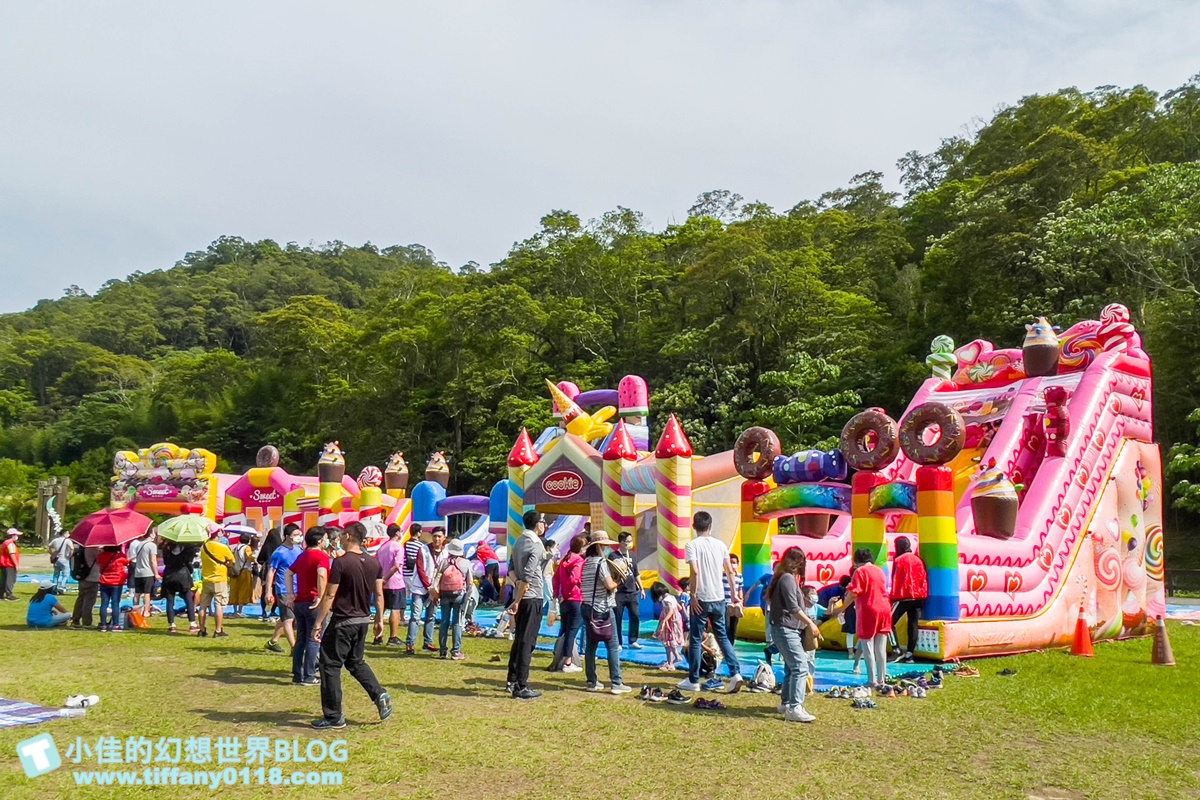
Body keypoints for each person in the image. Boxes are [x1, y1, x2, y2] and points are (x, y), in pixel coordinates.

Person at [310, 522, 392, 729]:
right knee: (355, 663)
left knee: (329, 666)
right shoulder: (374, 563)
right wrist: (380, 619)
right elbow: (379, 594)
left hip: (343, 621)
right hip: (363, 620)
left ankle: (333, 716)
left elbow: (330, 594)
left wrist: (318, 623)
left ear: (347, 536)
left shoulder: (341, 563)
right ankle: (379, 693)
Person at [678, 511, 743, 693]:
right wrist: (734, 595)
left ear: (694, 526)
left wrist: (693, 594)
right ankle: (735, 673)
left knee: (696, 638)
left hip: (702, 598)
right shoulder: (720, 545)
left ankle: (694, 679)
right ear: (710, 526)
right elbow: (730, 571)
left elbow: (696, 572)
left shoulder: (692, 545)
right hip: (719, 597)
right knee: (722, 636)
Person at [767, 546, 820, 722]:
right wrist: (810, 622)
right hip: (785, 629)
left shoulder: (784, 578)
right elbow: (793, 608)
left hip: (785, 628)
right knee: (800, 666)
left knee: (791, 667)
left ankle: (787, 703)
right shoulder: (788, 579)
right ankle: (795, 707)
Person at [580, 531, 632, 694]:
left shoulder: (586, 562)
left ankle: (592, 681)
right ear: (600, 546)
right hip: (602, 608)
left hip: (587, 606)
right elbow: (609, 585)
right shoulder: (601, 562)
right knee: (613, 646)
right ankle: (616, 682)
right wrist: (619, 580)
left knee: (591, 646)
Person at [506, 510, 549, 699]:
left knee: (520, 639)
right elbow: (529, 575)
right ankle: (521, 685)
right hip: (531, 597)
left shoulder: (518, 541)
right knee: (527, 641)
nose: (545, 525)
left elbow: (511, 571)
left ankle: (512, 679)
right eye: (543, 522)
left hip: (522, 594)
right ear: (537, 524)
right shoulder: (536, 544)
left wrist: (517, 589)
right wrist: (517, 600)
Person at [841, 548, 893, 689]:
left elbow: (853, 593)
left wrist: (841, 608)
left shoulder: (860, 571)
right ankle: (882, 678)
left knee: (867, 645)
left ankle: (872, 680)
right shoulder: (879, 570)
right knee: (880, 647)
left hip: (869, 608)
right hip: (885, 607)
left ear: (856, 561)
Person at [288, 526, 331, 686]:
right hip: (314, 602)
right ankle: (309, 675)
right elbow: (321, 573)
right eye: (326, 538)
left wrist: (292, 593)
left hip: (300, 601)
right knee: (314, 638)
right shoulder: (321, 556)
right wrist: (320, 596)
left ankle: (297, 674)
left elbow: (288, 572)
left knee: (301, 639)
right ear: (320, 541)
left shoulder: (302, 555)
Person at [549, 534, 585, 673]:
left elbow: (556, 578)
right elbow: (574, 579)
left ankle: (559, 658)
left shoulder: (565, 559)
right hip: (576, 599)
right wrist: (581, 584)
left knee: (564, 630)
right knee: (572, 631)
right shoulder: (579, 561)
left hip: (565, 600)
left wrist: (558, 594)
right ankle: (568, 661)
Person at [890, 536, 928, 663]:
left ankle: (897, 650)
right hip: (919, 596)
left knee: (887, 622)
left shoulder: (899, 560)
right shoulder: (918, 559)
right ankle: (910, 654)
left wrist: (892, 597)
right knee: (913, 624)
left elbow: (895, 579)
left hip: (903, 596)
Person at [265, 525, 304, 653]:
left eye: (300, 534)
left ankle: (273, 641)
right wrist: (268, 591)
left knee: (285, 617)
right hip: (284, 589)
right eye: (296, 534)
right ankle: (295, 648)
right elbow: (271, 571)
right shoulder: (279, 552)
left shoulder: (299, 549)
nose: (299, 537)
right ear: (287, 537)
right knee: (288, 619)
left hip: (298, 588)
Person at [433, 539, 472, 660]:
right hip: (459, 594)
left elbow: (436, 579)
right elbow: (470, 582)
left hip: (445, 594)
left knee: (444, 621)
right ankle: (456, 651)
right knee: (457, 622)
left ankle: (443, 651)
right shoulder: (465, 563)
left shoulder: (444, 562)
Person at [197, 526, 235, 638]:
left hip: (206, 579)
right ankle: (218, 630)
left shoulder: (204, 546)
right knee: (219, 605)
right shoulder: (223, 547)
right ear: (218, 533)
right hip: (220, 579)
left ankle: (202, 629)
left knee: (203, 606)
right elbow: (232, 561)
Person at [404, 524, 436, 654]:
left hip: (409, 576)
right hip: (419, 584)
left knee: (430, 615)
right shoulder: (422, 548)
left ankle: (427, 641)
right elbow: (421, 568)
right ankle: (410, 643)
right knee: (416, 616)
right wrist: (428, 586)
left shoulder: (405, 544)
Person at [375, 523, 407, 646]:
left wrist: (381, 579)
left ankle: (378, 636)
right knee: (395, 609)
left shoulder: (382, 547)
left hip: (382, 583)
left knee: (380, 610)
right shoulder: (398, 547)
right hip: (395, 582)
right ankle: (393, 636)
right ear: (397, 533)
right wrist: (386, 578)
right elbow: (396, 566)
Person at [610, 532, 643, 649]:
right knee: (617, 617)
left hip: (632, 591)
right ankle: (618, 641)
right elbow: (611, 573)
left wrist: (641, 588)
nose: (630, 543)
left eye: (630, 540)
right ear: (621, 542)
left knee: (635, 615)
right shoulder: (613, 556)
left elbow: (636, 573)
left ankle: (633, 640)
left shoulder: (632, 555)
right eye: (627, 541)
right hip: (619, 592)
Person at [819, 573, 859, 668]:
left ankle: (853, 651)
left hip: (851, 610)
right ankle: (852, 652)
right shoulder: (844, 589)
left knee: (855, 632)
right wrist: (839, 610)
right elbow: (846, 599)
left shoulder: (847, 589)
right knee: (852, 632)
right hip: (850, 610)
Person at [160, 540, 199, 634]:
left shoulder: (166, 548)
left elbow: (166, 562)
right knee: (189, 600)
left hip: (169, 575)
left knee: (170, 601)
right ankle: (192, 624)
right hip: (183, 575)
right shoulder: (187, 548)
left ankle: (172, 625)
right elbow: (189, 563)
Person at [652, 581, 685, 671]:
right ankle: (671, 661)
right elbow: (679, 608)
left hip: (671, 622)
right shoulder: (672, 597)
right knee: (670, 641)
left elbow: (670, 611)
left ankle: (672, 662)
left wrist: (664, 620)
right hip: (676, 620)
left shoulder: (666, 600)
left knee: (669, 642)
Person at [96, 545, 130, 632]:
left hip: (104, 581)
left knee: (104, 603)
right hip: (117, 582)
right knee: (115, 603)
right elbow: (127, 562)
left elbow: (98, 563)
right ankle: (116, 625)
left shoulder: (101, 556)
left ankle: (103, 624)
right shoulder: (120, 556)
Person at [256, 526, 283, 623]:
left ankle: (264, 612)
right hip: (278, 571)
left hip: (266, 570)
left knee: (265, 591)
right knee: (276, 591)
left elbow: (259, 559)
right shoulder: (280, 546)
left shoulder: (266, 545)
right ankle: (273, 610)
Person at [70, 546, 100, 628]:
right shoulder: (93, 549)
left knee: (81, 599)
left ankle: (75, 620)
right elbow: (100, 560)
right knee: (89, 601)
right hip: (92, 578)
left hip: (82, 576)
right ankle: (87, 622)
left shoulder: (80, 549)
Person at [131, 531, 158, 619]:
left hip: (138, 572)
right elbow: (153, 561)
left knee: (137, 593)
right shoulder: (152, 545)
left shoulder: (139, 544)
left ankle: (135, 609)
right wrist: (156, 574)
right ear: (151, 534)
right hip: (148, 572)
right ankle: (146, 611)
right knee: (147, 593)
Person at [228, 535, 255, 617]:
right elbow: (250, 558)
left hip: (235, 571)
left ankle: (235, 610)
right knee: (243, 590)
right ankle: (240, 610)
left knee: (234, 590)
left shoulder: (235, 548)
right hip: (245, 571)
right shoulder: (247, 548)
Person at [723, 553, 745, 642]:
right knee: (724, 625)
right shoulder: (722, 575)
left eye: (734, 562)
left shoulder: (739, 576)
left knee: (733, 625)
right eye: (730, 562)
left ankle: (731, 643)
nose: (732, 564)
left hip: (735, 602)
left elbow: (740, 588)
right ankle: (724, 645)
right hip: (725, 601)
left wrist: (741, 600)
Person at [48, 528, 76, 595]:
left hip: (56, 560)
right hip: (64, 559)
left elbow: (49, 547)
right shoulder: (67, 541)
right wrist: (69, 556)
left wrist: (52, 554)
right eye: (68, 533)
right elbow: (72, 548)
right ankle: (62, 587)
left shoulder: (55, 540)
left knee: (56, 575)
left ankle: (54, 588)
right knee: (66, 575)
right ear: (65, 533)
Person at [476, 538, 502, 605]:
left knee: (488, 581)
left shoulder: (479, 549)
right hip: (496, 563)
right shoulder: (489, 548)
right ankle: (499, 594)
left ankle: (488, 597)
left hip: (489, 564)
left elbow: (475, 556)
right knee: (496, 580)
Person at [0, 528, 20, 601]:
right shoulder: (10, 544)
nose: (17, 537)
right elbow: (12, 554)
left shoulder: (4, 543)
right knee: (10, 580)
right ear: (13, 535)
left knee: (4, 580)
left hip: (3, 564)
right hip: (9, 565)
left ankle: (1, 595)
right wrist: (16, 565)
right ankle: (9, 595)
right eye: (16, 535)